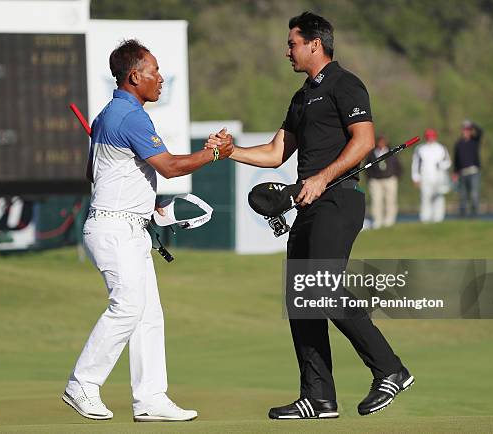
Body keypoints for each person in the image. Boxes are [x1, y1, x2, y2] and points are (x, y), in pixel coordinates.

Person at [221, 12, 413, 419]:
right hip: (307, 204)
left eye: (291, 43)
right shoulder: (301, 96)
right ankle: (319, 396)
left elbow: (362, 143)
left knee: (322, 287)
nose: (286, 50)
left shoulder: (347, 84)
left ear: (314, 44)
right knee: (302, 299)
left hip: (338, 200)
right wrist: (230, 151)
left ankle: (391, 369)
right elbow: (276, 154)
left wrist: (323, 177)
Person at [62, 39, 233, 422]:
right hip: (114, 228)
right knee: (127, 308)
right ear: (134, 75)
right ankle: (82, 383)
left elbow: (97, 172)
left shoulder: (116, 113)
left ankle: (151, 398)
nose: (160, 79)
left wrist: (144, 199)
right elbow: (170, 166)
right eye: (154, 72)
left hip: (130, 226)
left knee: (148, 316)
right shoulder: (129, 115)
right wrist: (217, 153)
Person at [411, 129, 451, 223]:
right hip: (425, 178)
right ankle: (425, 219)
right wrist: (415, 178)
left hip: (439, 177)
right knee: (425, 198)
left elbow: (448, 162)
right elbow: (415, 164)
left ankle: (438, 219)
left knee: (439, 198)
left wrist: (441, 165)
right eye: (429, 137)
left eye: (432, 136)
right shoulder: (420, 149)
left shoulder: (441, 148)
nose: (430, 139)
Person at [366, 136, 401, 228]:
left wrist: (396, 176)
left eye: (383, 142)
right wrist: (370, 177)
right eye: (379, 142)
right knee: (376, 201)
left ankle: (389, 220)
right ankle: (377, 221)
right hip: (375, 181)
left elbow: (398, 165)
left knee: (390, 200)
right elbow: (367, 167)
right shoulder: (372, 153)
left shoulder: (392, 152)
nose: (381, 144)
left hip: (390, 179)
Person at [454, 120, 483, 217]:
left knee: (474, 195)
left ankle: (474, 215)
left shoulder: (475, 141)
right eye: (465, 130)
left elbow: (480, 132)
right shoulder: (459, 143)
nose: (466, 132)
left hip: (474, 172)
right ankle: (462, 215)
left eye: (468, 130)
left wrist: (472, 124)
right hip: (462, 173)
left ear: (471, 131)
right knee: (463, 196)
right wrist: (455, 172)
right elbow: (456, 159)